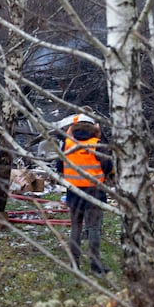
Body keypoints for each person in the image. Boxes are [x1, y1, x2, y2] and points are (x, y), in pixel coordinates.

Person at [56, 113, 113, 274]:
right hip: (94, 193)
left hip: (73, 192)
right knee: (93, 228)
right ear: (94, 127)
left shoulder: (67, 144)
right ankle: (95, 266)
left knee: (76, 227)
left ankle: (75, 264)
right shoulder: (97, 144)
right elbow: (108, 167)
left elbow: (59, 167)